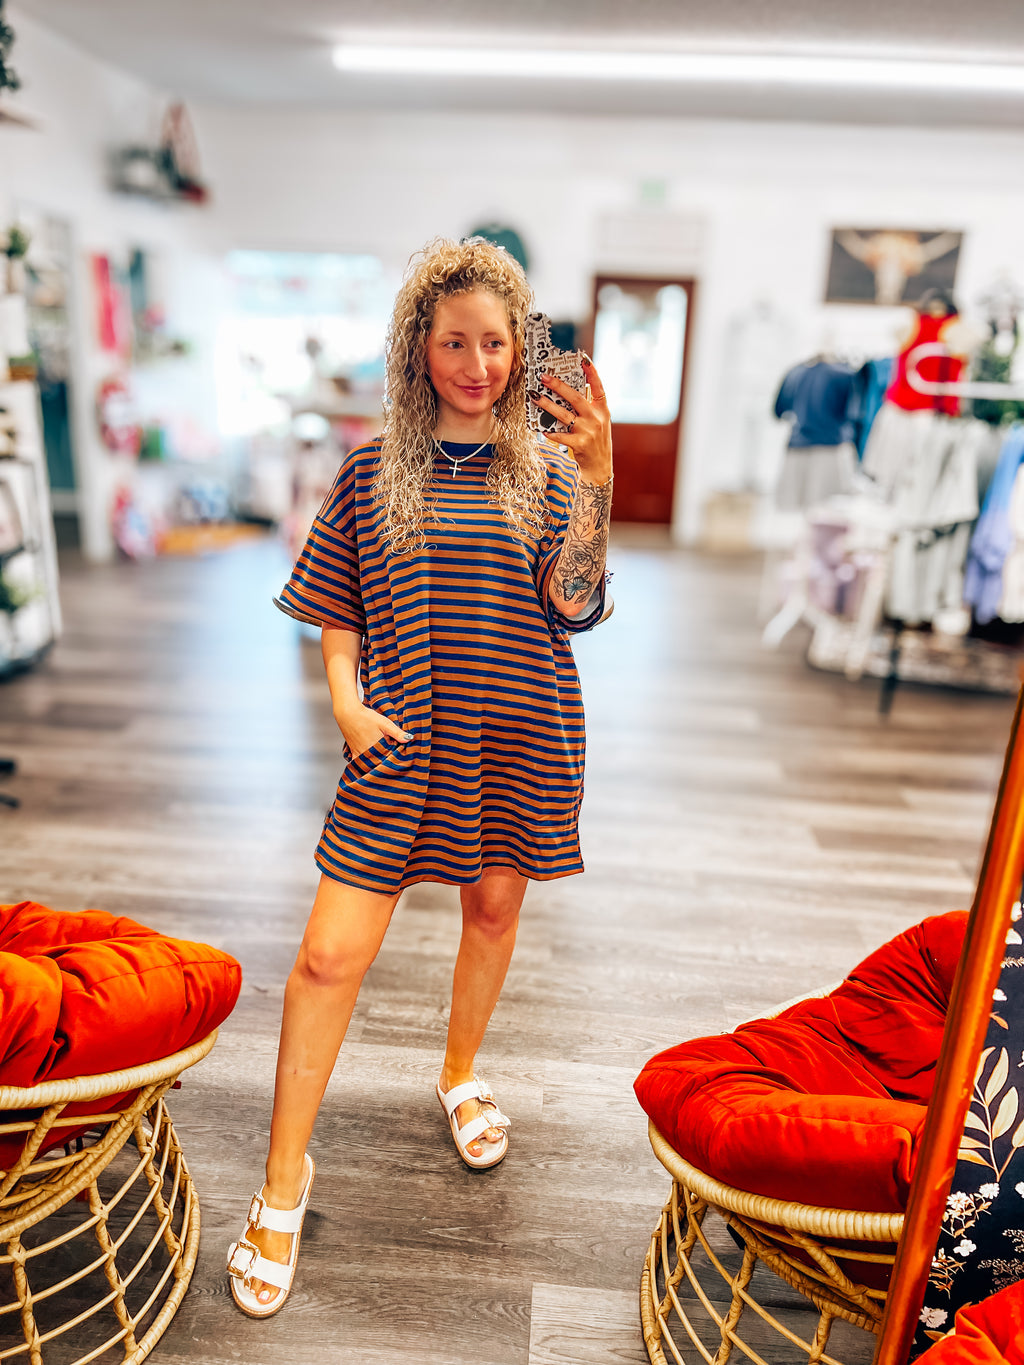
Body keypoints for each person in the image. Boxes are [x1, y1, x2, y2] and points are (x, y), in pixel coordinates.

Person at [227, 236, 614, 1317]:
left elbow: (578, 603)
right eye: (454, 341)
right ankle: (280, 1182)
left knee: (491, 913)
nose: (477, 364)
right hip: (397, 746)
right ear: (419, 345)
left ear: (518, 346)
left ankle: (458, 1072)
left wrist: (599, 476)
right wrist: (347, 704)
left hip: (520, 736)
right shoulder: (368, 465)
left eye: (494, 342)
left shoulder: (545, 466)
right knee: (322, 958)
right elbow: (335, 603)